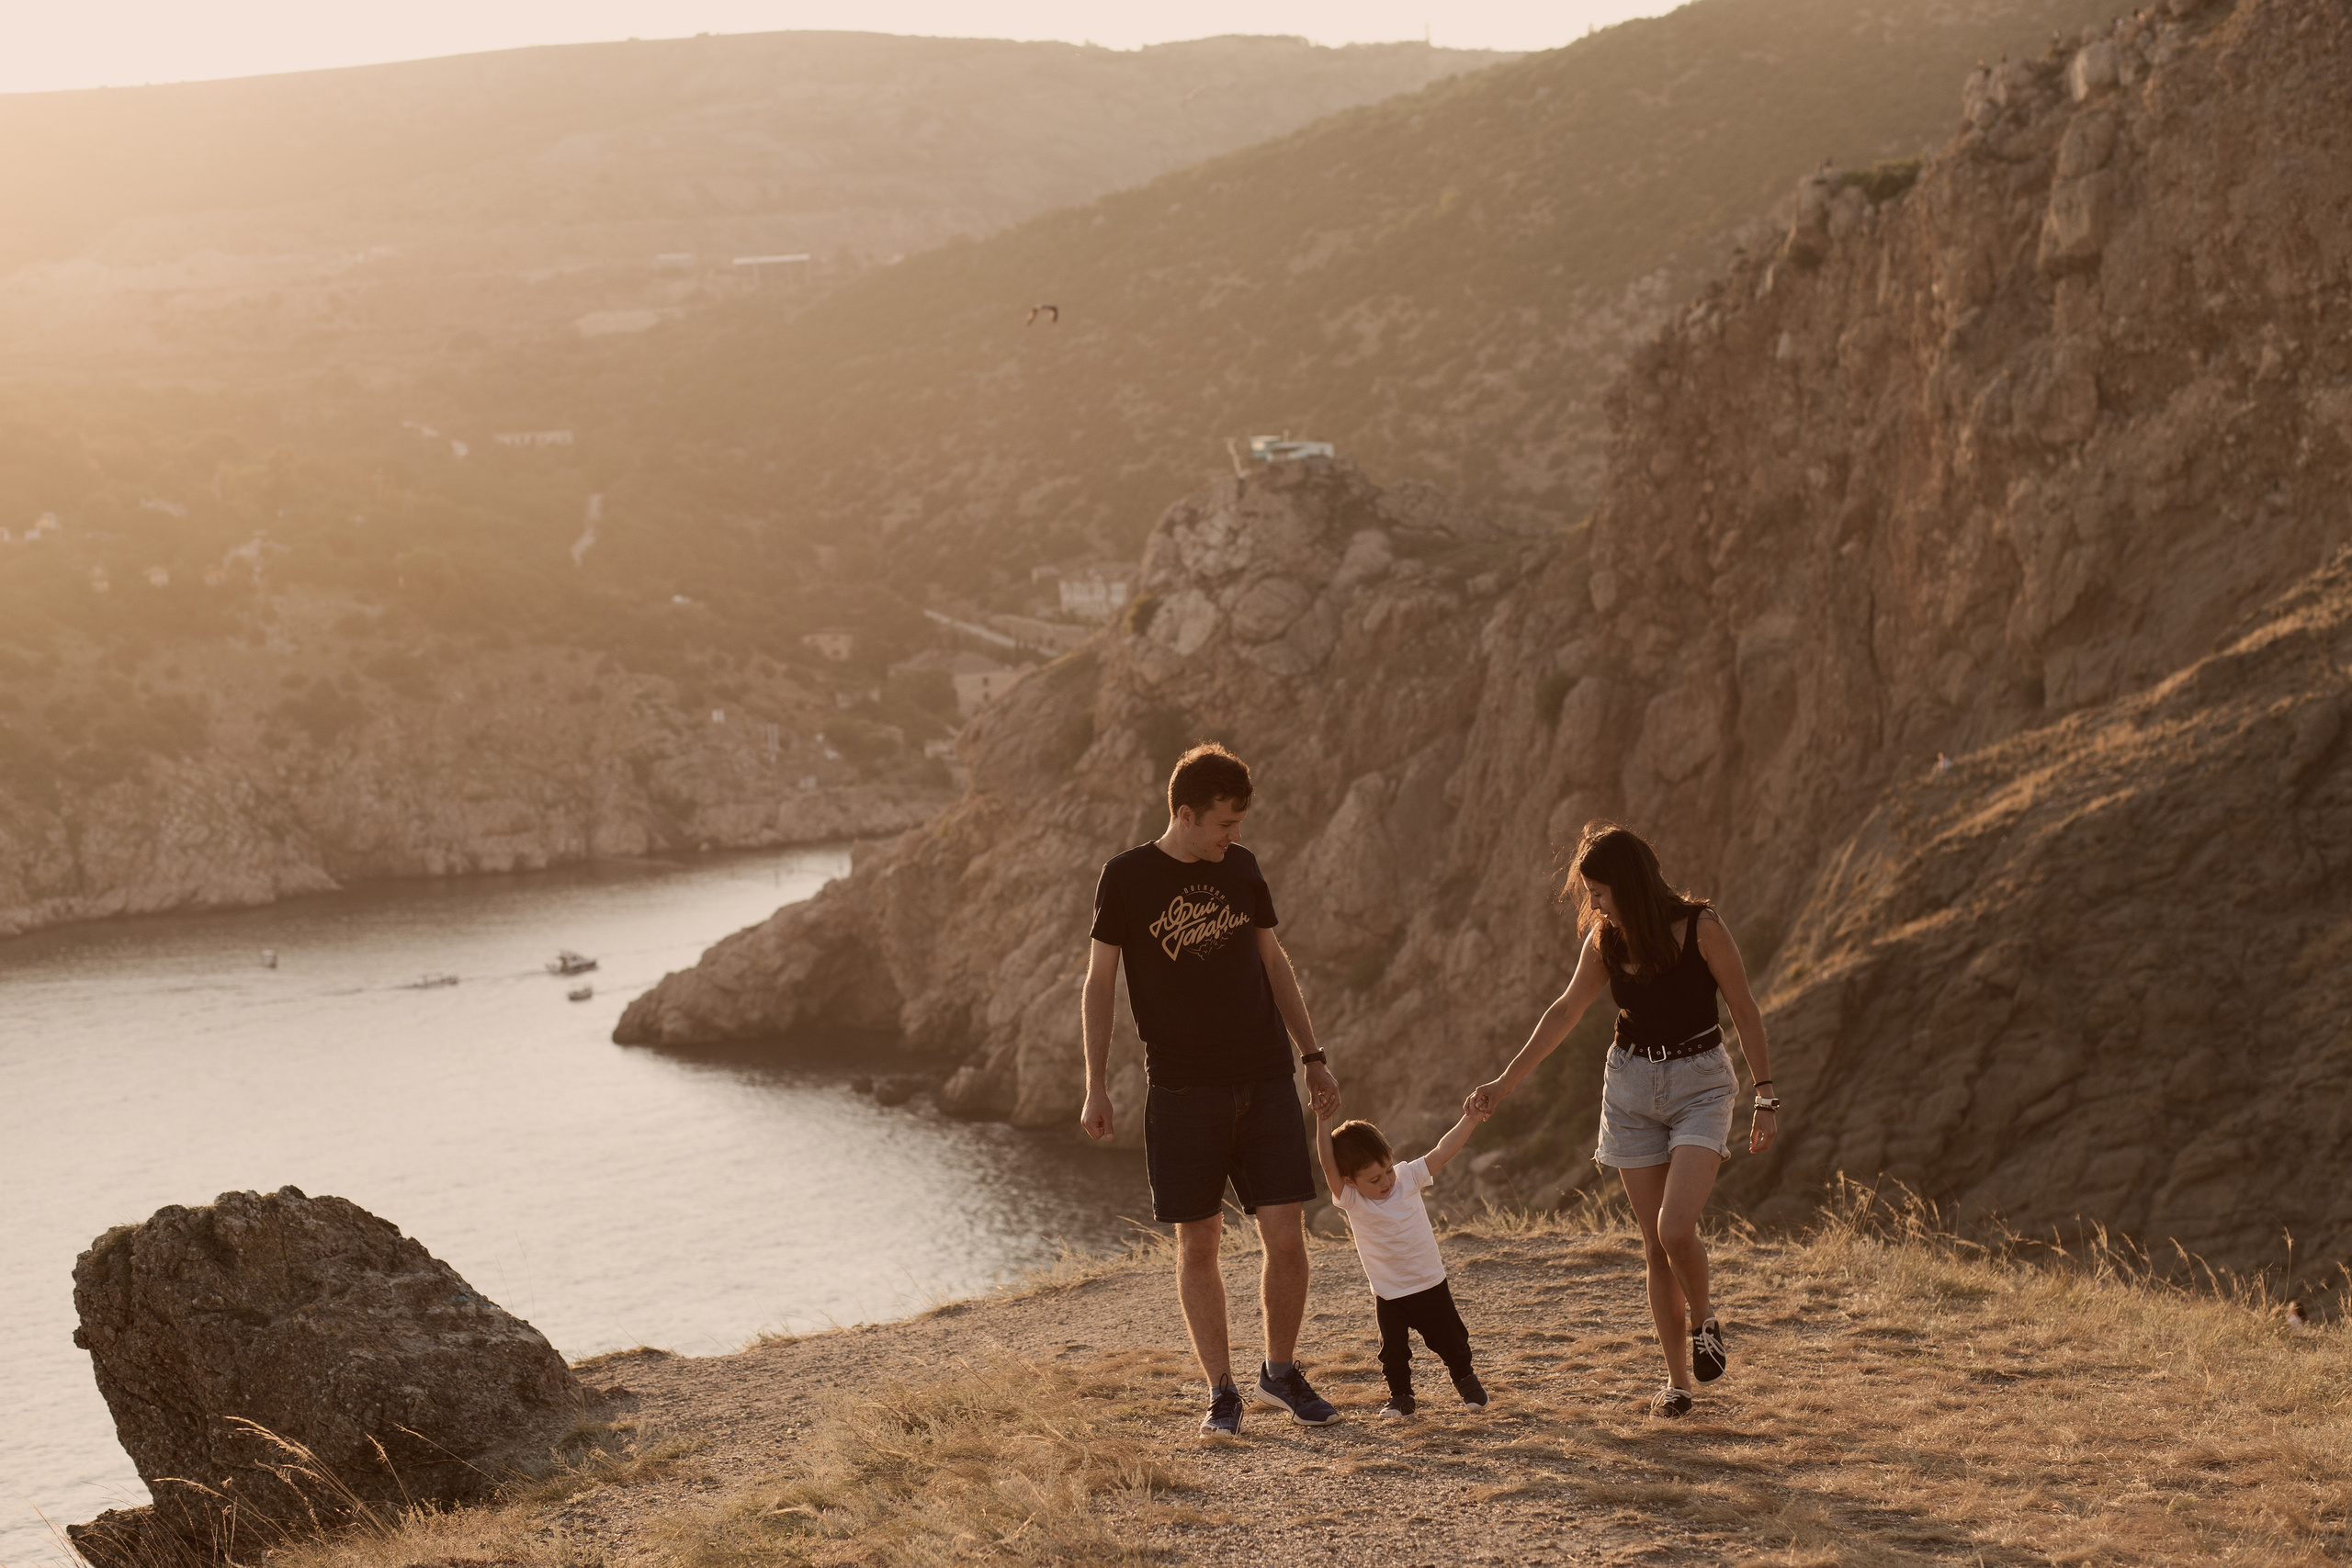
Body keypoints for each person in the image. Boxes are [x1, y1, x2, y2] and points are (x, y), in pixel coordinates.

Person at [1467, 822, 1778, 1418]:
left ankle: (1705, 1320)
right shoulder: (1605, 941)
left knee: (1675, 1228)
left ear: (1630, 885)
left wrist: (1765, 1096)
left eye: (1601, 893)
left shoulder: (1702, 929)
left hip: (1700, 1086)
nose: (1594, 905)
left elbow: (1745, 1008)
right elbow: (1563, 1012)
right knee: (1654, 1246)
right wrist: (1503, 1083)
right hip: (1632, 1088)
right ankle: (1678, 1382)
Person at [1080, 742, 1344, 1438]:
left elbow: (1273, 960)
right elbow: (1100, 983)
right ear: (1185, 813)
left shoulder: (1242, 868)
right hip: (1182, 1090)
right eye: (1224, 823)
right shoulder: (1127, 877)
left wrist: (1312, 1055)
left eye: (1240, 823)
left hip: (1264, 1079)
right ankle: (1221, 1391)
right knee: (1197, 1244)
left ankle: (1280, 1373)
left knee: (1286, 1237)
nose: (1236, 836)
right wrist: (1094, 1084)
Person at [1315, 1101, 1492, 1416]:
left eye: (1387, 1171)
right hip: (1389, 1291)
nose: (1385, 1182)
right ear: (1351, 1181)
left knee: (1451, 1340)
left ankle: (1465, 1380)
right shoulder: (1351, 1199)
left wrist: (1470, 1119)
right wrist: (1323, 1120)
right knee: (1393, 1352)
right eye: (1374, 1179)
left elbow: (1444, 1149)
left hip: (1429, 1282)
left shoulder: (1408, 1177)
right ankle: (1401, 1397)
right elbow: (1328, 1163)